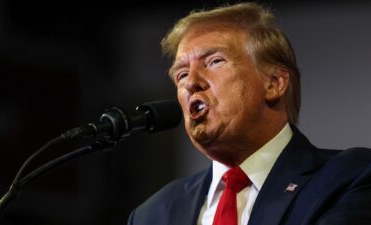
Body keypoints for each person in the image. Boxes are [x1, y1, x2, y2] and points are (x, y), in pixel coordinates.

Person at [127, 2, 371, 225]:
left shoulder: (349, 178)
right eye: (180, 75)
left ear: (274, 83)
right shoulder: (152, 214)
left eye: (214, 62)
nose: (191, 83)